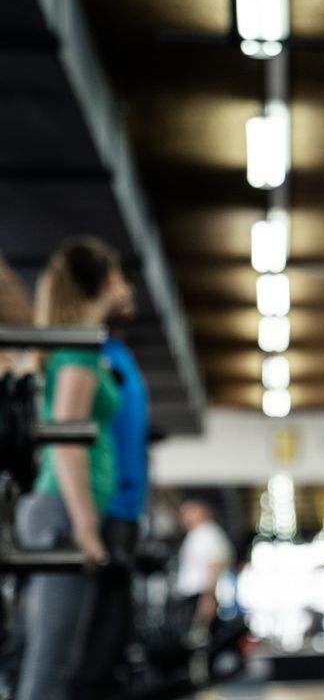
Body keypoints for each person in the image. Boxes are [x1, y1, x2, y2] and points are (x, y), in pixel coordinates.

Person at [15, 236, 133, 700]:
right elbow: (66, 439)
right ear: (107, 280)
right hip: (63, 513)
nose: (126, 287)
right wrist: (85, 526)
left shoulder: (83, 349)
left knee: (57, 661)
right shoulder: (80, 349)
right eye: (121, 276)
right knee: (51, 663)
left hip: (63, 508)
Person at [71, 271, 150, 697]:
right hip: (103, 507)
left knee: (112, 639)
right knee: (90, 649)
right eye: (119, 282)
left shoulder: (119, 354)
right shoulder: (89, 350)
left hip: (126, 508)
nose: (130, 291)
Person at [175, 499, 233, 631]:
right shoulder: (196, 534)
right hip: (193, 594)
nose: (183, 517)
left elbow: (214, 563)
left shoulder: (208, 533)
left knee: (201, 633)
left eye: (188, 512)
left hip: (201, 593)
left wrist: (209, 596)